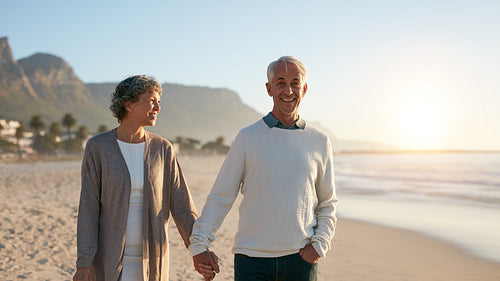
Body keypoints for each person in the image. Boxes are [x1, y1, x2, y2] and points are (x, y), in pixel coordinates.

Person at [189, 56, 338, 281]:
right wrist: (199, 244)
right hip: (251, 262)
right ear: (269, 89)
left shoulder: (319, 140)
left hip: (300, 262)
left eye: (295, 83)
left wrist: (319, 246)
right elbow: (221, 196)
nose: (288, 90)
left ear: (304, 89)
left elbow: (327, 202)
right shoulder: (247, 137)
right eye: (280, 83)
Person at [72, 75, 217, 281]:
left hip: (152, 261)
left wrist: (199, 248)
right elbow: (88, 208)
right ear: (129, 104)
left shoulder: (163, 148)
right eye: (151, 101)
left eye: (159, 102)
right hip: (109, 260)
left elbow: (182, 206)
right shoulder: (98, 147)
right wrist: (84, 263)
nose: (158, 107)